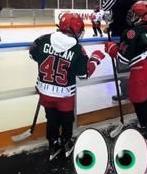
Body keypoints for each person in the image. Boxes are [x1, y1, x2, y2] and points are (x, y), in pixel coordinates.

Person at [29, 13, 105, 161]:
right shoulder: (77, 49)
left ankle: (53, 143)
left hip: (44, 91)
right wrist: (95, 60)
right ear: (75, 29)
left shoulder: (42, 39)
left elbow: (33, 55)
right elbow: (83, 74)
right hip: (64, 95)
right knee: (66, 119)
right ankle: (66, 141)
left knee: (51, 118)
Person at [105, 1, 147, 144]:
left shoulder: (131, 32)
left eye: (135, 13)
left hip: (140, 72)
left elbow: (123, 60)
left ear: (143, 15)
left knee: (139, 101)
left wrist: (112, 48)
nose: (132, 15)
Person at [102, 0, 137, 101]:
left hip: (121, 36)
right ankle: (131, 89)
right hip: (131, 35)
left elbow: (119, 20)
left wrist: (110, 26)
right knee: (131, 63)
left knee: (122, 64)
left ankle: (125, 91)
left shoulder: (119, 0)